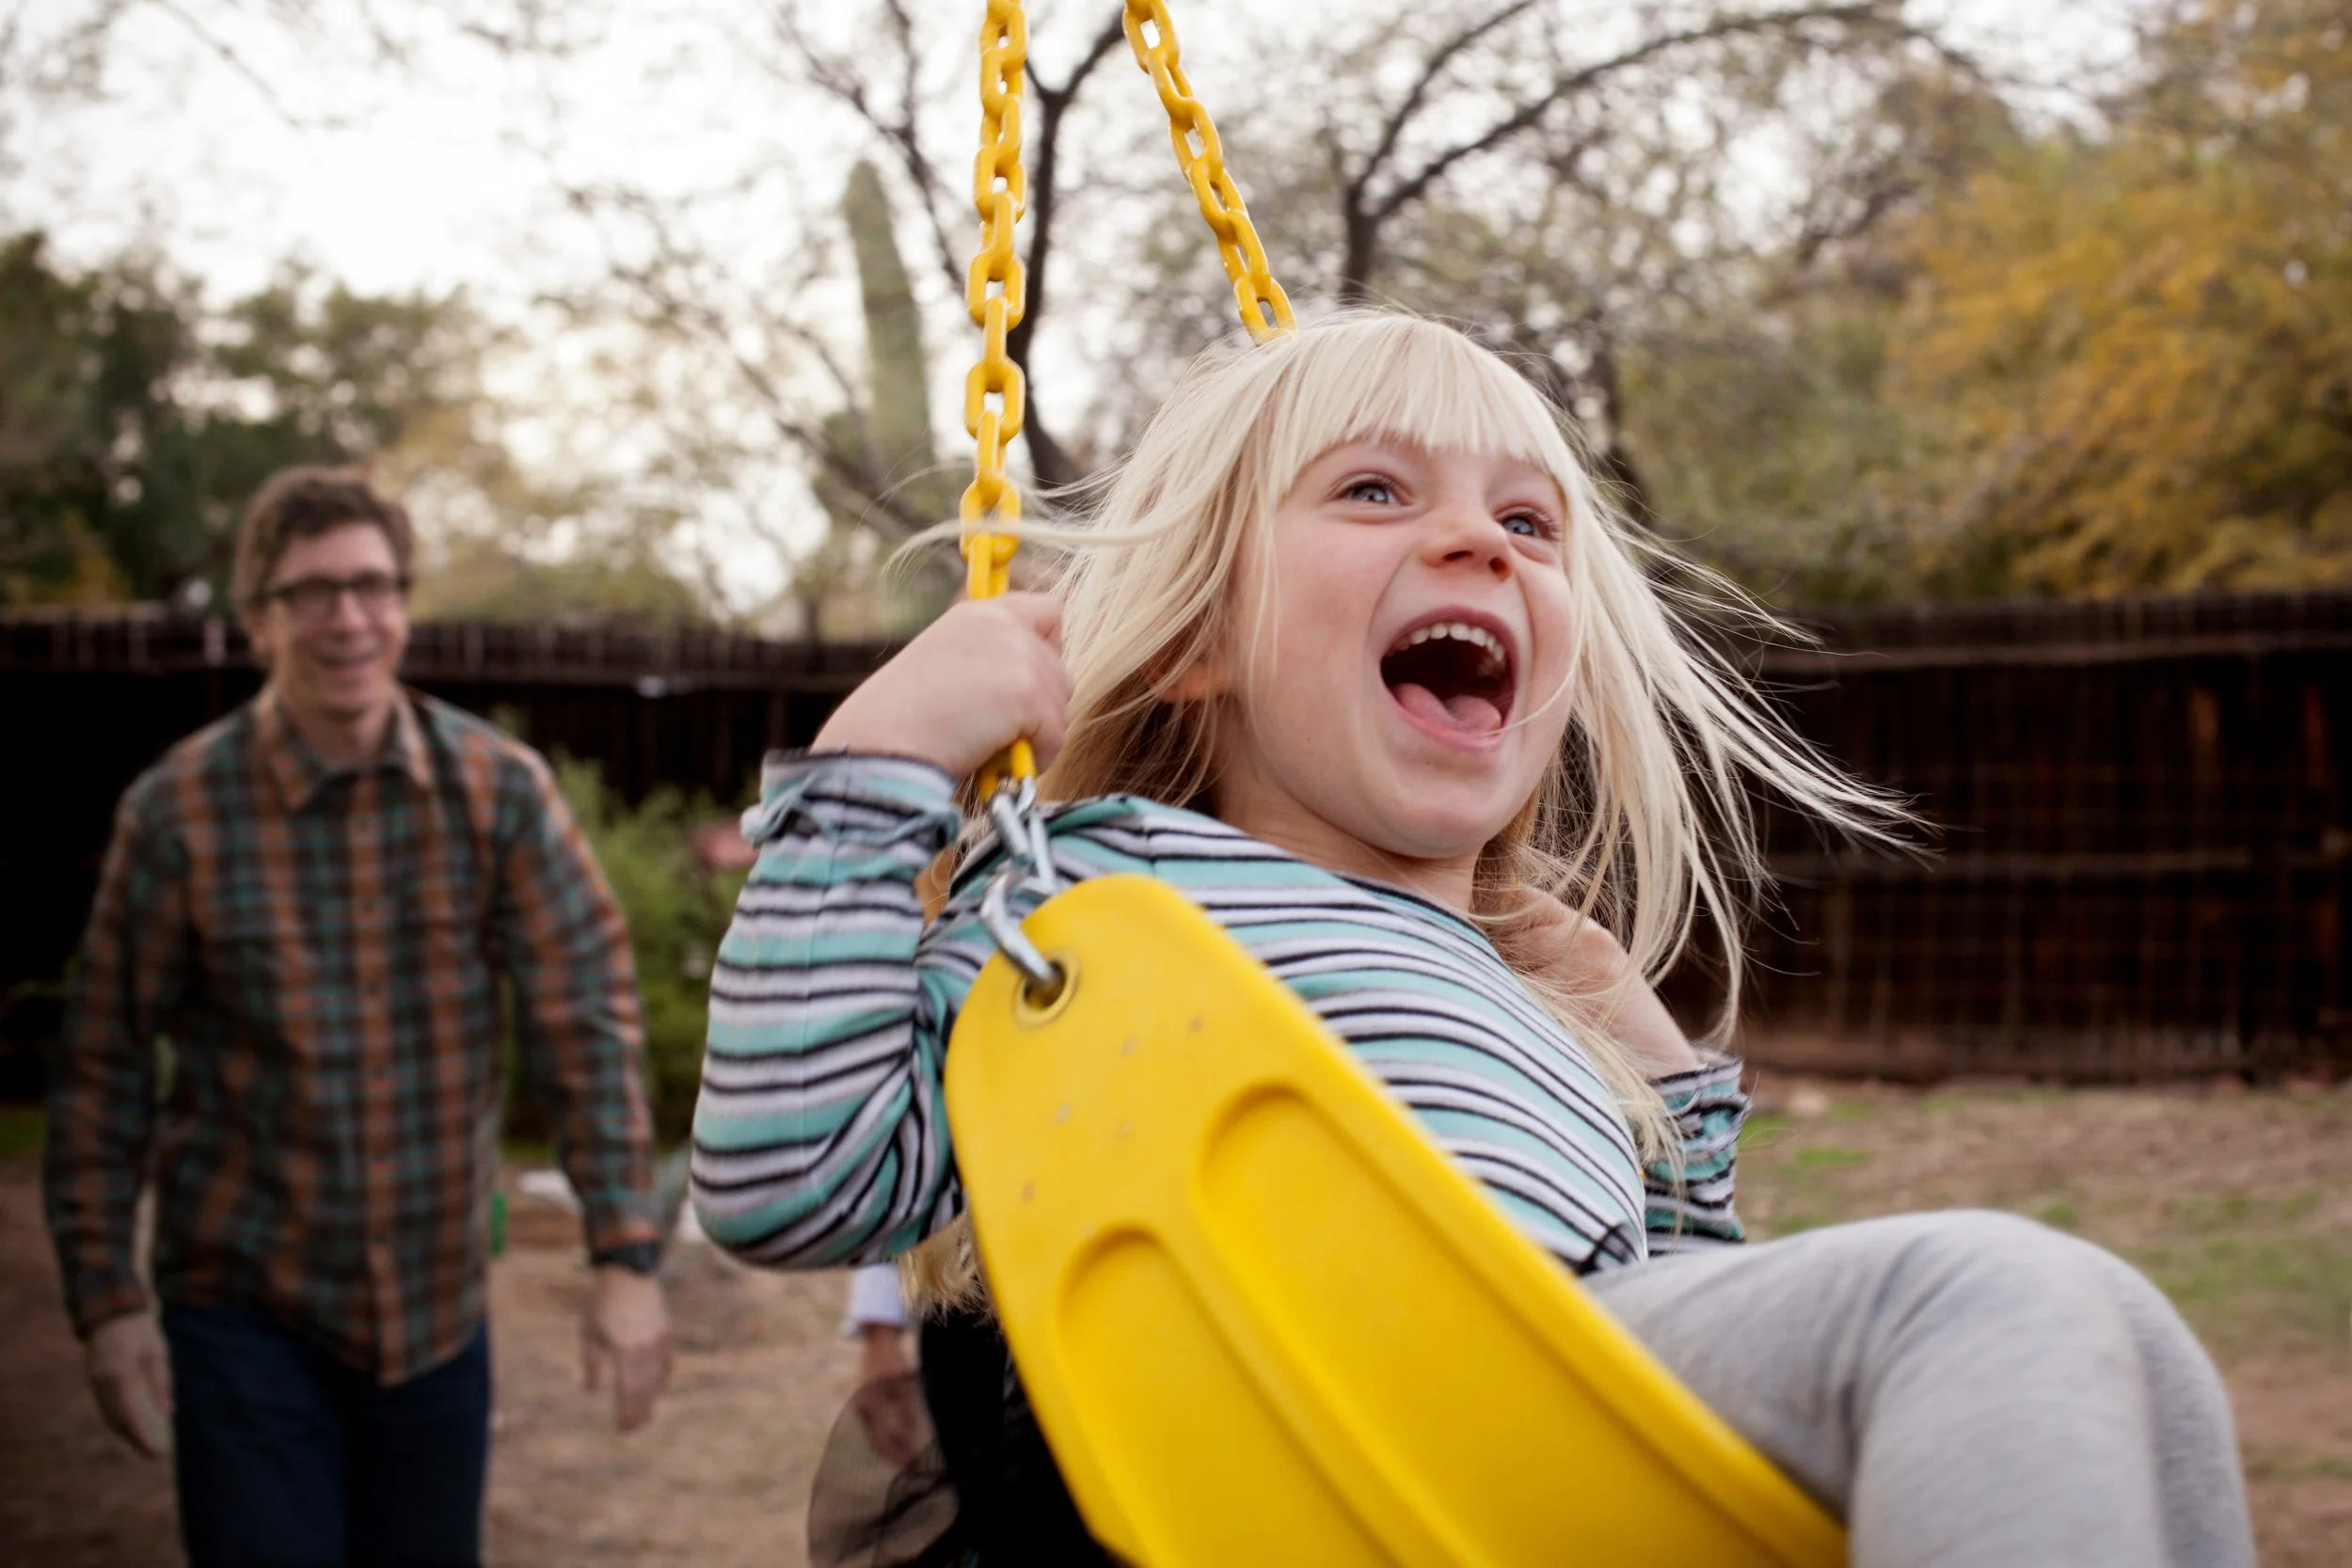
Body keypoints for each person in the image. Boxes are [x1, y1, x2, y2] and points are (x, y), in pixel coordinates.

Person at [690, 314, 2255, 1567]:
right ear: (1191, 643)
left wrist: (1660, 1077)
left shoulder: (1533, 996)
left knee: (2140, 1356)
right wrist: (876, 769)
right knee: (1990, 1298)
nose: (1480, 542)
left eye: (1527, 519)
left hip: (1552, 1439)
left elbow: (1684, 1317)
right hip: (1333, 1420)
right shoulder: (1115, 908)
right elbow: (788, 1178)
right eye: (1375, 491)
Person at [44, 466, 675, 1568]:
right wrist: (107, 1301)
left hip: (435, 1318)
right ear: (258, 619)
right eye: (313, 591)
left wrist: (623, 1253)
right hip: (244, 1313)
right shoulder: (178, 813)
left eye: (374, 586)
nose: (349, 617)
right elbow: (103, 1066)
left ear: (404, 604)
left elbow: (585, 1015)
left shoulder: (499, 791)